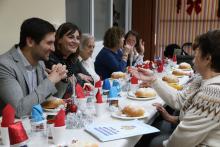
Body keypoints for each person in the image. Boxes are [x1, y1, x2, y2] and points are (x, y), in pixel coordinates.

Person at [131, 30, 220, 147]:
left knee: (150, 140)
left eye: (197, 53)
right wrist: (153, 79)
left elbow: (181, 140)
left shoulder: (213, 93)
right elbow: (180, 100)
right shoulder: (201, 79)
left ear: (208, 59)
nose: (193, 58)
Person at [0, 18, 68, 117]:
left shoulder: (40, 61)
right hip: (13, 130)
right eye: (49, 43)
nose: (53, 49)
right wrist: (50, 81)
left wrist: (61, 78)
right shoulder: (4, 65)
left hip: (36, 125)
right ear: (30, 41)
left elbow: (49, 101)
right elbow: (19, 110)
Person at [45, 22, 93, 96]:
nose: (75, 41)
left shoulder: (74, 59)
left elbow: (91, 81)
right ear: (59, 39)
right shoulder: (51, 58)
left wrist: (74, 78)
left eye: (78, 38)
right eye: (71, 37)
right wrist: (79, 76)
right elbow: (66, 89)